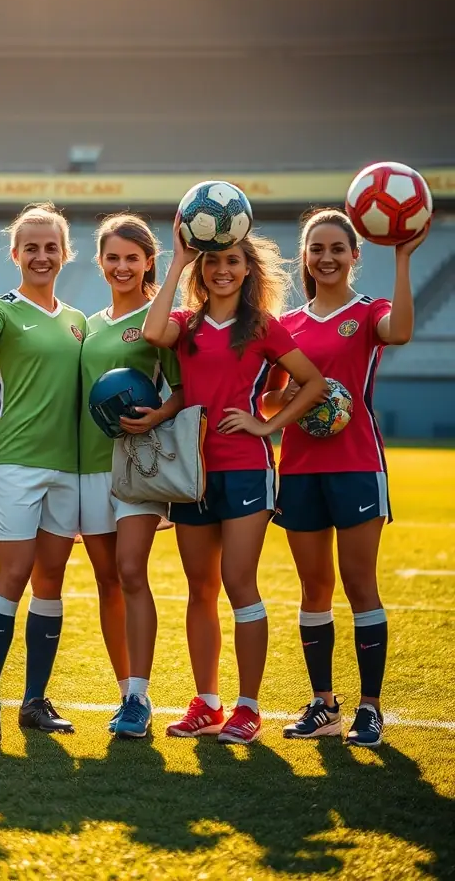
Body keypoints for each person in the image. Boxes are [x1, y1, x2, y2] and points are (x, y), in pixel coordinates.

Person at [142, 217, 327, 744]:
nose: (223, 270)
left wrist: (266, 425)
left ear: (248, 269)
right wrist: (177, 258)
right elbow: (153, 333)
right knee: (200, 589)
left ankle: (248, 707)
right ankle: (207, 702)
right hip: (192, 474)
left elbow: (311, 383)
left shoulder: (263, 326)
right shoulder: (185, 322)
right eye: (214, 261)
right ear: (202, 270)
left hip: (245, 467)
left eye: (233, 261)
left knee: (238, 584)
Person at [262, 208, 428, 747]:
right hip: (302, 470)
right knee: (314, 589)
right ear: (305, 257)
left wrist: (402, 260)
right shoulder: (287, 326)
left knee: (360, 585)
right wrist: (286, 397)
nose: (327, 258)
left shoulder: (369, 310)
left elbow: (399, 331)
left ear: (355, 255)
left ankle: (370, 708)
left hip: (357, 467)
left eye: (338, 249)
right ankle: (323, 705)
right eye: (317, 249)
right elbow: (266, 396)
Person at [0, 203, 87, 743]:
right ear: (15, 255)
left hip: (71, 469)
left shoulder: (80, 320)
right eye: (30, 247)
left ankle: (34, 701)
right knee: (12, 577)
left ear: (64, 253)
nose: (41, 255)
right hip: (14, 462)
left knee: (50, 582)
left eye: (50, 246)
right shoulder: (1, 309)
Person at [79, 213, 183, 739]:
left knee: (131, 571)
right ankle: (124, 694)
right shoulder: (88, 324)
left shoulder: (161, 320)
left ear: (148, 262)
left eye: (132, 258)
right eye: (112, 258)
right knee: (107, 581)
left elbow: (186, 390)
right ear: (100, 262)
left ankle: (141, 697)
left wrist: (161, 414)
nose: (122, 267)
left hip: (139, 466)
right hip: (91, 467)